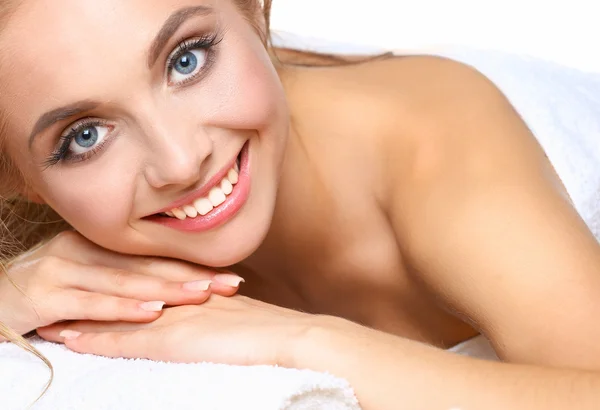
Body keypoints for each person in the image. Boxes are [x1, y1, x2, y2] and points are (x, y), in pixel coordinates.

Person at [1, 0, 600, 408]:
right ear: (21, 180)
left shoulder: (438, 154)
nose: (181, 161)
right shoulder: (55, 247)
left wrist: (306, 343)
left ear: (253, 12)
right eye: (84, 136)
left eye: (187, 60)